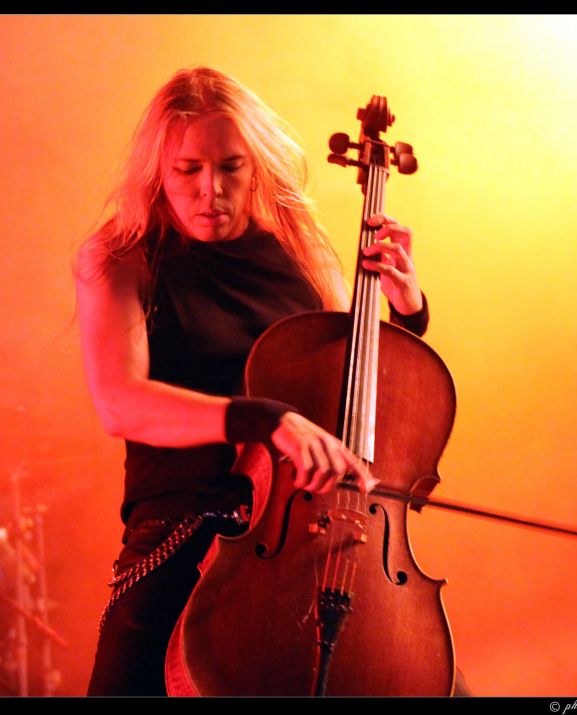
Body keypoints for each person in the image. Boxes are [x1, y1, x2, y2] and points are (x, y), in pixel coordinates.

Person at [75, 67, 437, 696]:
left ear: (256, 166)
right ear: (158, 169)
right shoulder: (120, 257)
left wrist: (406, 310)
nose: (210, 189)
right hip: (181, 538)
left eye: (230, 167)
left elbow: (353, 400)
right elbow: (119, 403)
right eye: (188, 170)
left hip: (309, 545)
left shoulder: (301, 253)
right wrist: (266, 419)